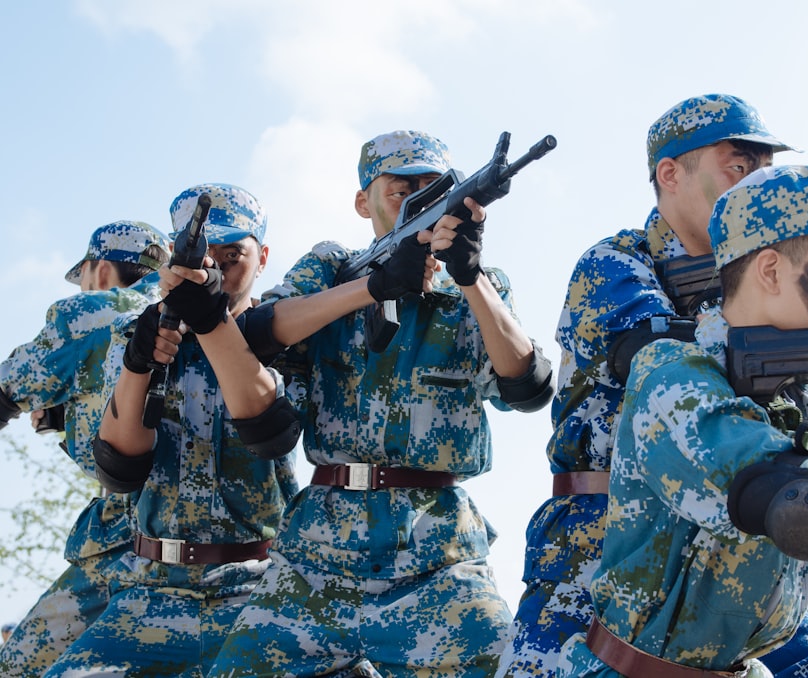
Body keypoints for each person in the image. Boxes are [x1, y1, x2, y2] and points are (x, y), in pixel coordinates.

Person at [497, 93, 808, 678]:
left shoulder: (801, 374)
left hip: (745, 562)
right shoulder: (620, 268)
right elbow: (658, 353)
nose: (757, 178)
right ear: (670, 173)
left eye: (766, 168)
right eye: (740, 164)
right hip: (603, 553)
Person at [206, 130, 554, 677]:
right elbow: (257, 331)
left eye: (431, 187)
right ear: (363, 201)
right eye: (401, 188)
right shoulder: (329, 267)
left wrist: (470, 279)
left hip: (437, 555)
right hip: (317, 557)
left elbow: (526, 386)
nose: (418, 195)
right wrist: (371, 288)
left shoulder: (481, 286)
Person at [46, 183, 301, 676]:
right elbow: (120, 465)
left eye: (235, 253)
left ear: (263, 256)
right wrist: (138, 362)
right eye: (206, 255)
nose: (218, 267)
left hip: (254, 587)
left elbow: (271, 433)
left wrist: (211, 324)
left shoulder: (286, 336)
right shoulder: (138, 330)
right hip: (151, 589)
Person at [0, 220, 169, 675]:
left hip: (124, 539)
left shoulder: (90, 313)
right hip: (224, 540)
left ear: (100, 269)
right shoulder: (207, 310)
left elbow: (6, 390)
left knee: (20, 667)